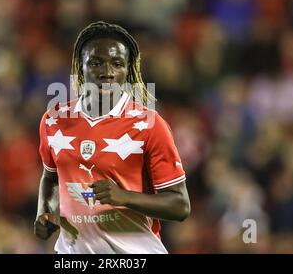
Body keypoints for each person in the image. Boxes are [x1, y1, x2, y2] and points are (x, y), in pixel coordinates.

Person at [34, 21, 190, 254]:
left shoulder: (149, 124)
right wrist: (45, 210)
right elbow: (51, 177)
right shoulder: (53, 120)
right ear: (80, 67)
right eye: (96, 63)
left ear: (128, 70)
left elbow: (179, 205)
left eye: (117, 64)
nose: (107, 72)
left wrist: (124, 197)